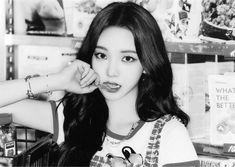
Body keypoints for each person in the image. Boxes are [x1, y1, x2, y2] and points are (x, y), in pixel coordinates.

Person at [0, 2, 199, 166]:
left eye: (127, 58)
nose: (111, 71)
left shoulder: (169, 135)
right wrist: (55, 80)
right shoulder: (72, 120)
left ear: (147, 64)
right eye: (102, 55)